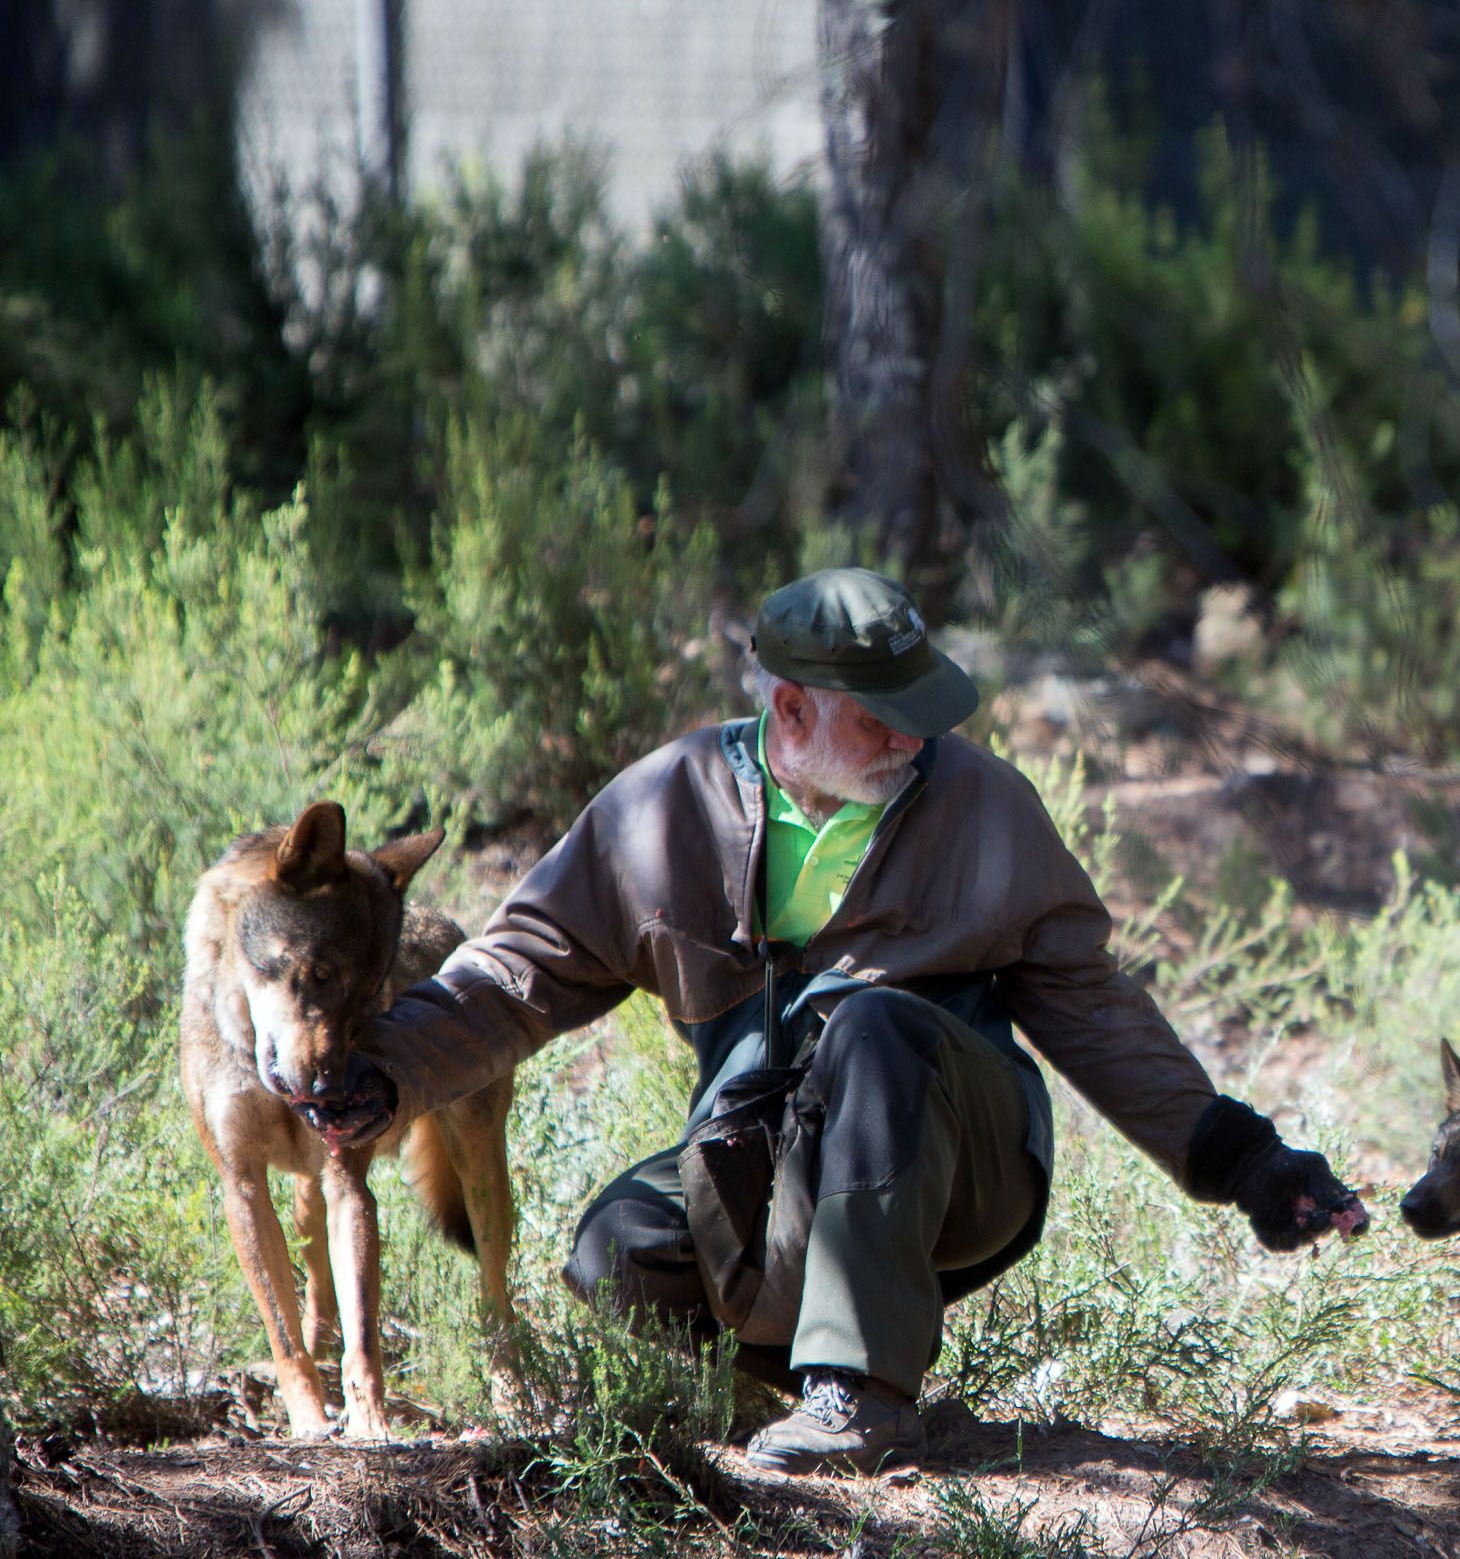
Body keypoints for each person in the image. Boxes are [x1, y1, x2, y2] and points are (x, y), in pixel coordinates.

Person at [291, 567, 1367, 1474]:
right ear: (790, 711)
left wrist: (1241, 1159)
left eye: (922, 706)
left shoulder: (983, 807)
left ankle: (861, 1391)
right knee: (615, 1250)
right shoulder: (663, 809)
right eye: (882, 714)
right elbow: (518, 970)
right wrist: (386, 1068)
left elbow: (1090, 1003)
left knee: (872, 1027)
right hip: (780, 1156)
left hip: (964, 1156)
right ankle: (794, 1390)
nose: (916, 735)